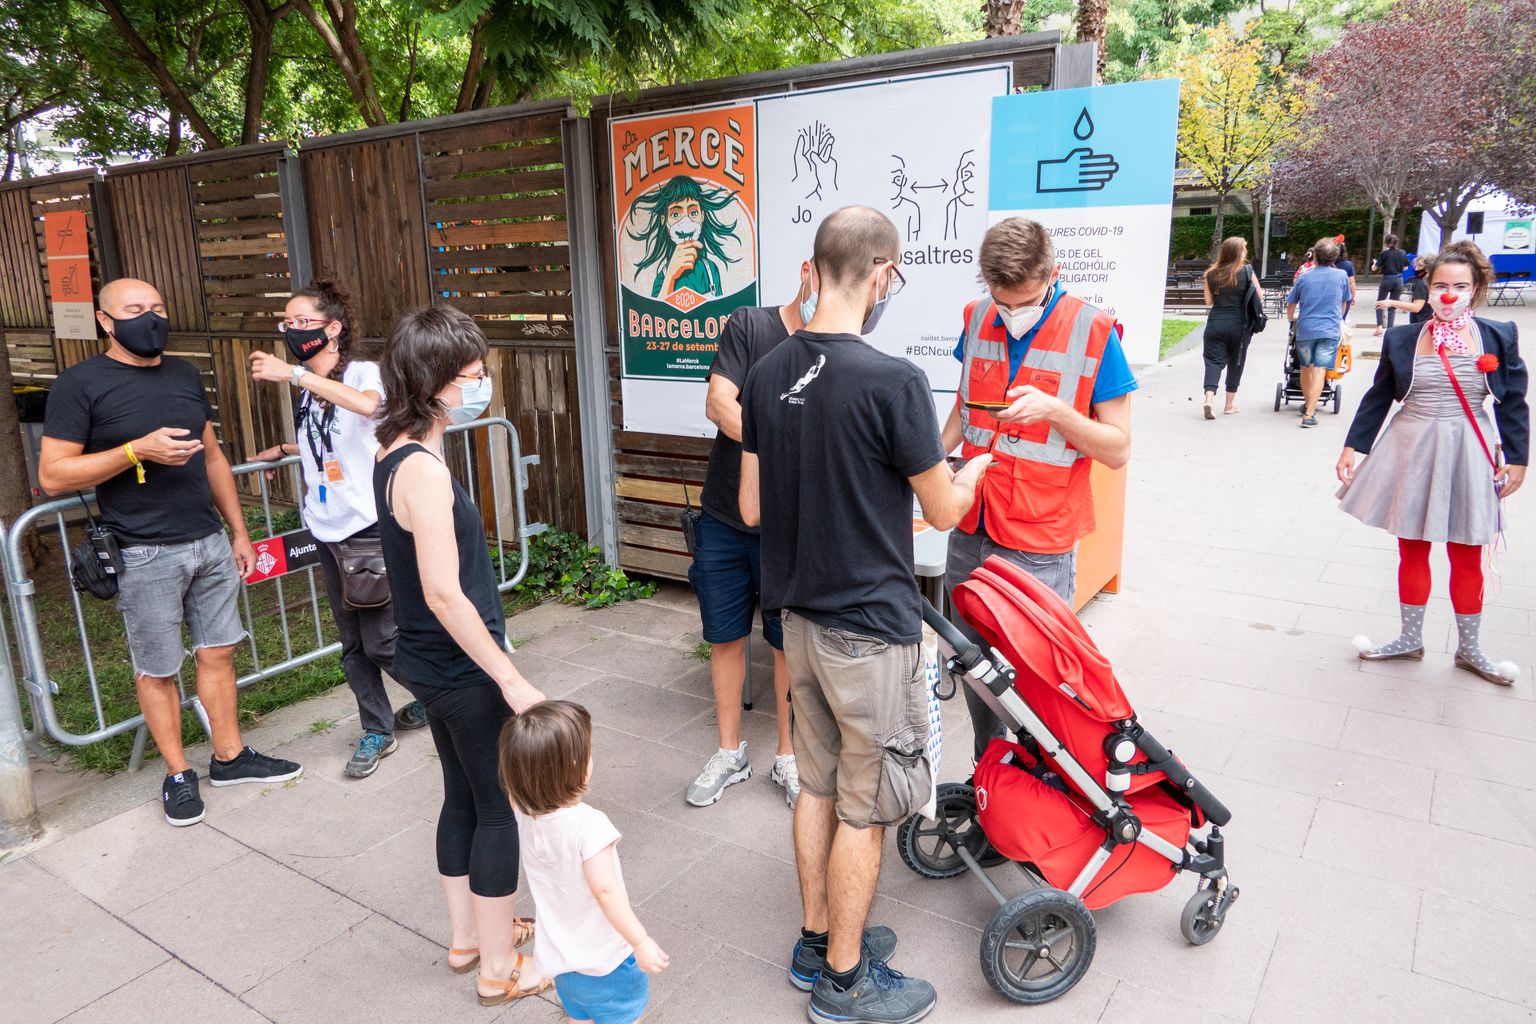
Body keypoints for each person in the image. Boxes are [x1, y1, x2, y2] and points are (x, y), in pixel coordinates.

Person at [739, 206, 992, 1024]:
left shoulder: (767, 370)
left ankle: (817, 940)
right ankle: (845, 984)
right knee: (869, 803)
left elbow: (750, 507)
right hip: (870, 630)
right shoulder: (894, 381)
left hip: (797, 622)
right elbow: (945, 512)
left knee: (815, 785)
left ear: (817, 269)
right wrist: (976, 468)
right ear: (881, 273)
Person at [39, 278, 302, 827]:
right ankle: (178, 774)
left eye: (157, 307)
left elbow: (211, 458)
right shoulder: (79, 384)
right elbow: (54, 474)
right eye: (135, 310)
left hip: (207, 540)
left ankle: (229, 758)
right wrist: (135, 450)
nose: (150, 318)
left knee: (219, 651)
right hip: (142, 552)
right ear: (105, 321)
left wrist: (238, 531)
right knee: (158, 669)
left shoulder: (183, 373)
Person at [372, 305, 549, 1005]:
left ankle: (469, 937)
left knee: (462, 797)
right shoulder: (421, 469)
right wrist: (509, 677)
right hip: (458, 664)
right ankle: (499, 969)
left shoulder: (395, 445)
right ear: (434, 381)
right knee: (499, 808)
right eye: (471, 374)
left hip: (427, 661)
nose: (481, 383)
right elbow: (446, 595)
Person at [939, 217, 1135, 760]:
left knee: (1037, 679)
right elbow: (966, 402)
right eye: (1001, 301)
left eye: (1022, 302)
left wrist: (1056, 411)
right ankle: (991, 772)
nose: (1010, 313)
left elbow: (1117, 448)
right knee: (975, 663)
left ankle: (1041, 783)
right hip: (970, 522)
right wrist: (935, 453)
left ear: (1055, 274)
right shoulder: (977, 317)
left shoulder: (1093, 330)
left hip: (1039, 539)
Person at [248, 280, 425, 779]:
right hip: (326, 529)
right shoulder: (309, 388)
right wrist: (285, 450)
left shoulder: (363, 372)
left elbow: (368, 408)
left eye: (303, 321)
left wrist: (297, 376)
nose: (292, 330)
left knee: (383, 640)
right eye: (287, 322)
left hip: (369, 527)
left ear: (333, 328)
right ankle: (377, 729)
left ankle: (445, 690)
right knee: (351, 644)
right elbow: (331, 445)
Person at [1337, 241, 1527, 685]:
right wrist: (1354, 446)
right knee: (1412, 547)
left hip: (1469, 448)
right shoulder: (1403, 338)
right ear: (1427, 284)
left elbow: (1514, 401)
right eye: (1440, 284)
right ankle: (1410, 638)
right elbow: (1380, 394)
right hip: (1411, 446)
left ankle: (1470, 649)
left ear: (1476, 287)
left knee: (1467, 552)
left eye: (1460, 285)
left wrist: (1517, 458)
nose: (1448, 293)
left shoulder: (1499, 334)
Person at [686, 264, 816, 809]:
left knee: (786, 642)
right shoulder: (750, 324)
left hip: (789, 527)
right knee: (724, 636)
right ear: (806, 272)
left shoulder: (831, 350)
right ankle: (729, 752)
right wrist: (781, 445)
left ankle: (787, 756)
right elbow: (719, 404)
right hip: (722, 517)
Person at [500, 700, 670, 1023]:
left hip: (562, 963)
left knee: (578, 1016)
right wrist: (641, 940)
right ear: (577, 766)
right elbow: (605, 892)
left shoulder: (522, 813)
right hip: (608, 964)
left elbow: (515, 792)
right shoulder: (589, 826)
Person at [1285, 237, 1352, 427]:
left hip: (1306, 328)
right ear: (1335, 257)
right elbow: (1345, 301)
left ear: (1315, 255)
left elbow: (1291, 303)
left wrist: (1293, 317)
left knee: (1305, 367)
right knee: (1320, 370)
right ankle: (1310, 413)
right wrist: (1339, 316)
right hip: (1329, 329)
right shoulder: (1341, 276)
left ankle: (1308, 404)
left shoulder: (1305, 276)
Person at [1200, 236, 1261, 417]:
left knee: (1213, 362)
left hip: (1215, 325)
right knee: (1236, 363)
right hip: (1239, 326)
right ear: (1239, 252)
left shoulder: (1210, 274)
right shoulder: (1248, 271)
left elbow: (1208, 301)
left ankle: (1209, 399)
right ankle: (1229, 405)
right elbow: (1259, 295)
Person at [1372, 234, 1411, 334]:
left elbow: (1374, 268)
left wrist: (1374, 262)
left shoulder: (1384, 254)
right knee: (1392, 305)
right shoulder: (1403, 253)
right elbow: (1406, 267)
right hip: (1398, 280)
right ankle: (1390, 329)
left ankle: (1379, 327)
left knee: (1380, 303)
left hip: (1387, 279)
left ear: (1386, 243)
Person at [1378, 255, 1430, 326]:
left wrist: (1391, 302)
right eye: (1416, 266)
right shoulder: (1432, 283)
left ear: (1428, 268)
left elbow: (1416, 307)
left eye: (1420, 266)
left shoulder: (1422, 284)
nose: (1416, 269)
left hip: (1421, 324)